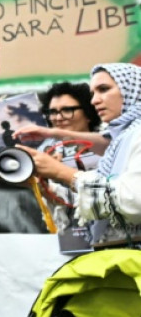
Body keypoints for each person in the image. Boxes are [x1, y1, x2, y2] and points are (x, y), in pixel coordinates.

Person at [15, 63, 141, 248]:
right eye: (93, 94)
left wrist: (63, 173)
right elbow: (98, 201)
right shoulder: (123, 136)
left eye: (104, 89)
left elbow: (132, 200)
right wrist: (45, 186)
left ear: (133, 88)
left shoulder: (135, 133)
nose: (95, 100)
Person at [14, 81, 108, 156]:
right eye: (53, 112)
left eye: (67, 110)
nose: (58, 118)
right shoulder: (44, 152)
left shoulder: (110, 145)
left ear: (88, 113)